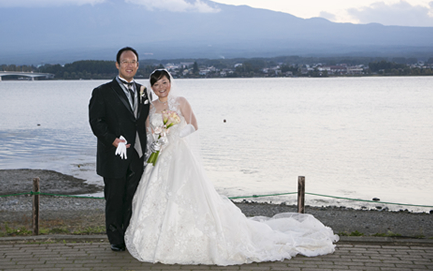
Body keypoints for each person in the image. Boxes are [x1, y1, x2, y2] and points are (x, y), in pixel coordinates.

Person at [124, 69, 338, 265]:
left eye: (164, 83)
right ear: (152, 88)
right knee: (157, 194)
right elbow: (149, 131)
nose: (161, 88)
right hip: (160, 157)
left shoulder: (180, 101)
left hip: (180, 155)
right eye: (156, 85)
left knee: (187, 193)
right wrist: (158, 138)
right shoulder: (151, 107)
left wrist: (175, 134)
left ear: (170, 82)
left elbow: (193, 125)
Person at [88, 47, 150, 252]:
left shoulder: (144, 91)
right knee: (114, 198)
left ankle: (129, 234)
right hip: (114, 154)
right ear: (117, 65)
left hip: (137, 155)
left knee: (133, 198)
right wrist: (113, 140)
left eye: (133, 61)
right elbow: (96, 123)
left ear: (138, 65)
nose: (129, 65)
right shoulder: (102, 91)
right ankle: (115, 239)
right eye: (125, 61)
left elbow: (146, 121)